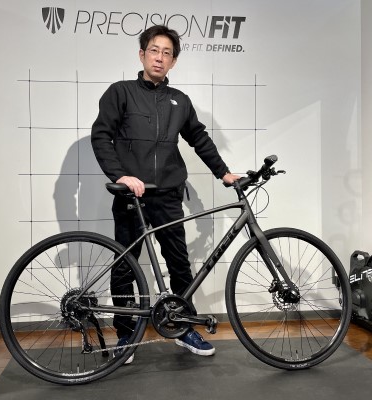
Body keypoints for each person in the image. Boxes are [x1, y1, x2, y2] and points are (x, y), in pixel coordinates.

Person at [91, 25, 240, 363]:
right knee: (125, 266)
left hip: (169, 195)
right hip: (131, 196)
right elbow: (101, 136)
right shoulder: (121, 92)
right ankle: (126, 334)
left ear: (173, 62)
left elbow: (198, 138)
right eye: (154, 50)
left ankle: (183, 327)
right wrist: (120, 176)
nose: (159, 58)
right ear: (142, 54)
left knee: (179, 264)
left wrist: (223, 172)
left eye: (167, 53)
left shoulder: (179, 101)